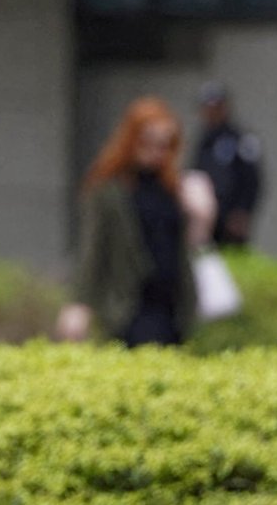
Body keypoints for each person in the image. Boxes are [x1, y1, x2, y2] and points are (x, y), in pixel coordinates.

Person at [58, 96, 197, 347]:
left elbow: (187, 246)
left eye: (165, 144)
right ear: (131, 140)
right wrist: (79, 303)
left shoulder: (173, 188)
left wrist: (201, 214)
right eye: (148, 142)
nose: (156, 152)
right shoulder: (110, 190)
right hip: (131, 303)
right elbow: (93, 250)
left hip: (173, 305)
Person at [193, 82, 264, 247]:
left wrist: (243, 210)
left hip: (231, 216)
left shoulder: (240, 139)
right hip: (207, 216)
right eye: (207, 108)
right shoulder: (203, 141)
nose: (211, 113)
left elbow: (252, 179)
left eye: (216, 107)